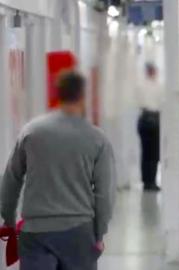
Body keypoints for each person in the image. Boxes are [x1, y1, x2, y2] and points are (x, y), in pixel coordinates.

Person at [0, 71, 116, 270]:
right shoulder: (97, 139)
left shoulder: (31, 132)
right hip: (79, 232)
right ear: (82, 96)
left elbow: (11, 179)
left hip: (35, 232)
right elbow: (105, 194)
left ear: (58, 94)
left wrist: (9, 219)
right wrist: (99, 234)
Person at [137, 63, 163, 191]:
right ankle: (150, 181)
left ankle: (147, 181)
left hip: (144, 118)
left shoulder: (141, 85)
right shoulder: (157, 86)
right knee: (153, 153)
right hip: (153, 118)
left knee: (147, 152)